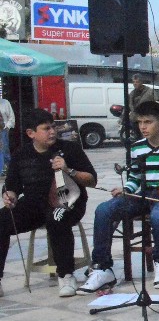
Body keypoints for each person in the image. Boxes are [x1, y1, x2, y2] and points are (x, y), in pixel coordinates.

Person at [83, 101, 159, 292]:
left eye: (148, 122)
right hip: (144, 194)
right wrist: (126, 190)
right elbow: (134, 178)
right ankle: (103, 268)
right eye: (140, 122)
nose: (143, 127)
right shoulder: (138, 148)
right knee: (104, 210)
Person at [1, 108, 96, 298]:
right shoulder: (21, 155)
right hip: (33, 205)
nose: (52, 132)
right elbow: (12, 186)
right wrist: (9, 196)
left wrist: (69, 170)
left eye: (53, 127)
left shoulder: (69, 149)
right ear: (31, 133)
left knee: (56, 218)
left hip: (68, 202)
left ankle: (66, 274)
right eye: (46, 129)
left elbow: (92, 180)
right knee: (1, 220)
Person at [127, 74, 156, 139]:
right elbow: (130, 105)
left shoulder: (150, 92)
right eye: (133, 82)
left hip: (146, 119)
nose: (135, 84)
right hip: (135, 120)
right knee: (138, 139)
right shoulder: (132, 93)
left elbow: (156, 103)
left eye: (137, 82)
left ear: (141, 82)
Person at [0, 94, 15, 176]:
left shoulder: (5, 103)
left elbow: (11, 117)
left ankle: (7, 170)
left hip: (3, 130)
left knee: (4, 150)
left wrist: (7, 127)